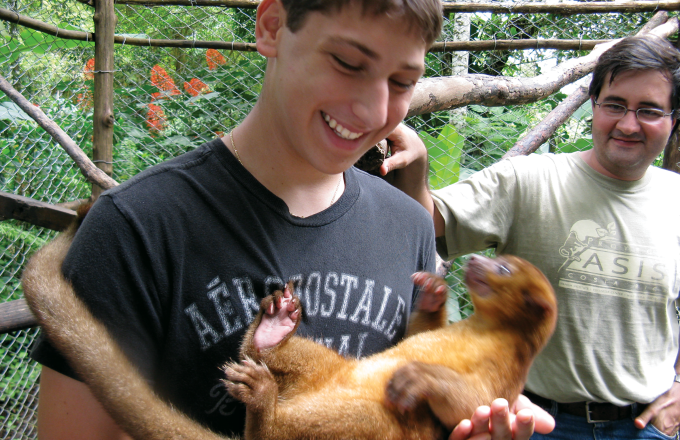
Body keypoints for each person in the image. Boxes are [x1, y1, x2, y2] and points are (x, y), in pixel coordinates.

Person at [29, 1, 551, 439]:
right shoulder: (138, 226)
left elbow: (393, 400)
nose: (372, 110)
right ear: (272, 27)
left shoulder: (408, 225)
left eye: (402, 81)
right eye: (348, 62)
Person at [383, 34, 680, 439]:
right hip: (531, 419)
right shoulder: (530, 179)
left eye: (649, 110)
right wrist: (417, 163)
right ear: (594, 106)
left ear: (673, 119)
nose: (628, 124)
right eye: (615, 105)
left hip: (644, 426)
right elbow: (427, 223)